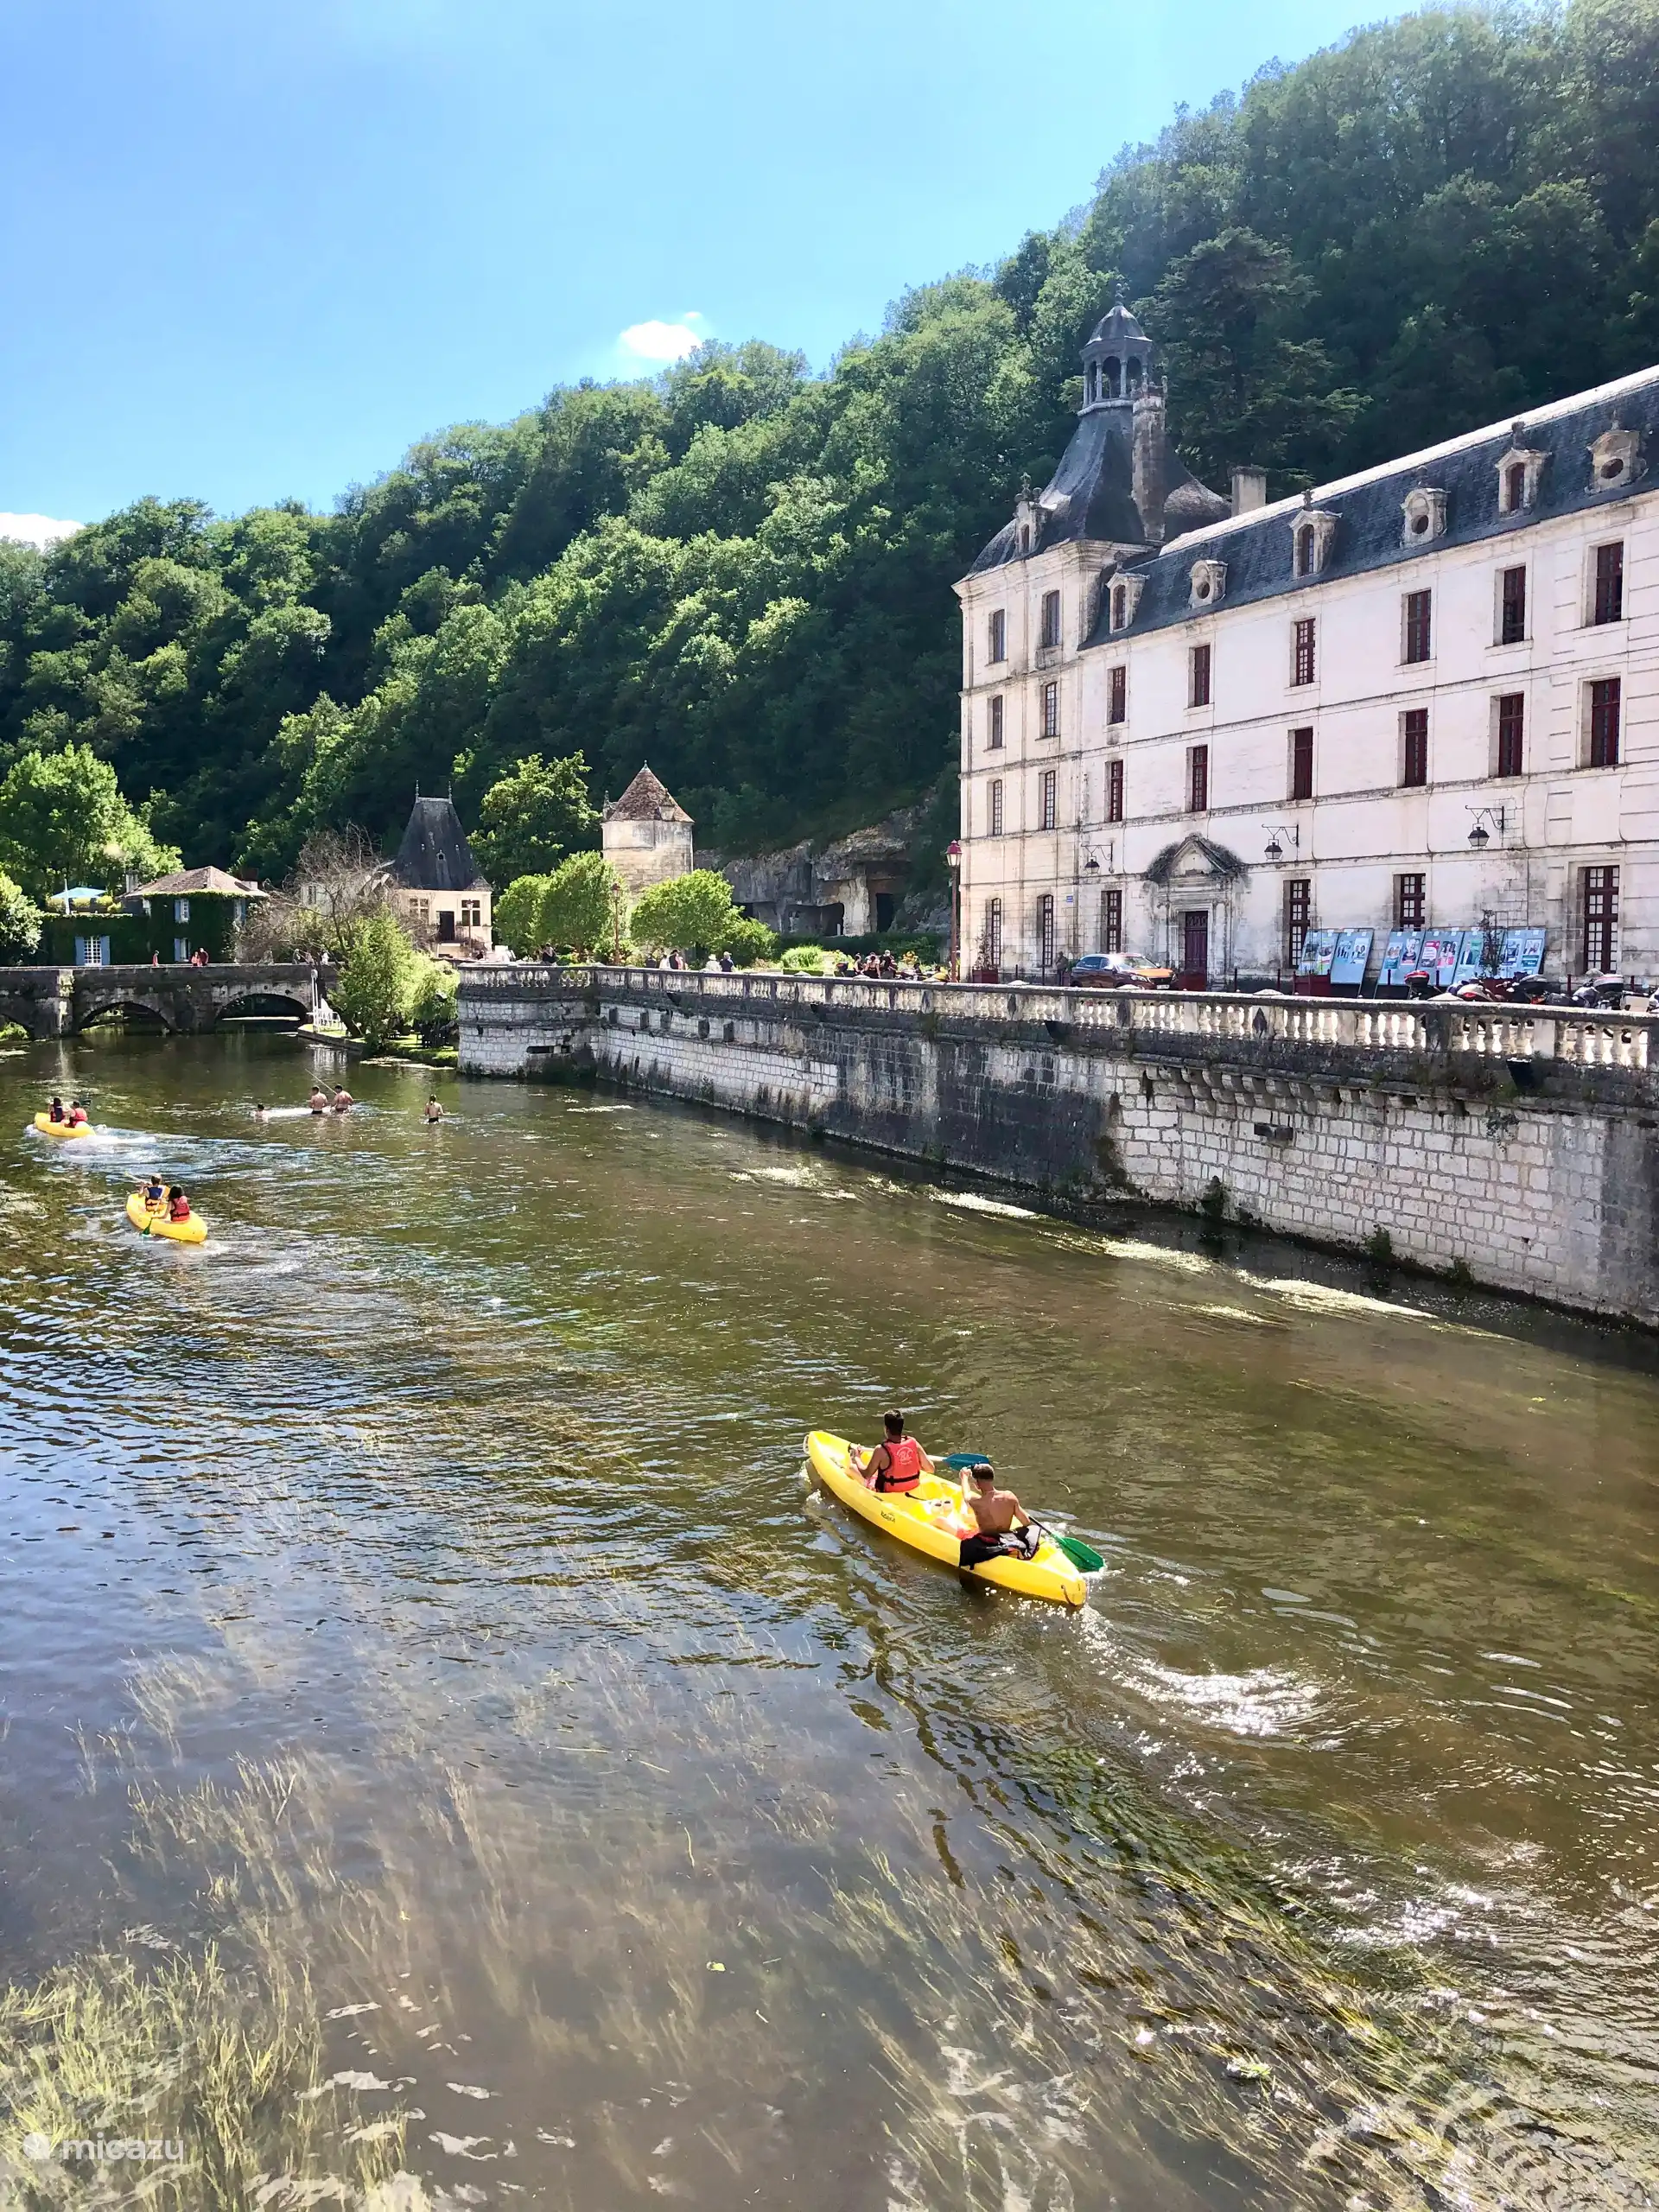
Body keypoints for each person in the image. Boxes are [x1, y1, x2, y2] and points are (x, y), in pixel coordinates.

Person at [957, 1461, 1038, 1570]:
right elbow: (1026, 1522)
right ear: (992, 1478)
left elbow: (966, 1494)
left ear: (977, 1485)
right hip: (1006, 1538)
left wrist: (964, 1478)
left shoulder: (977, 1502)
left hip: (987, 1542)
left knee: (941, 1520)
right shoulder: (1009, 1496)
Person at [851, 1409, 934, 1496]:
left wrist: (856, 1457)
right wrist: (912, 1463)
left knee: (852, 1467)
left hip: (889, 1494)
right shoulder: (914, 1443)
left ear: (886, 1429)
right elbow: (931, 1469)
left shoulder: (880, 1450)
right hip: (912, 1488)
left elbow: (866, 1474)